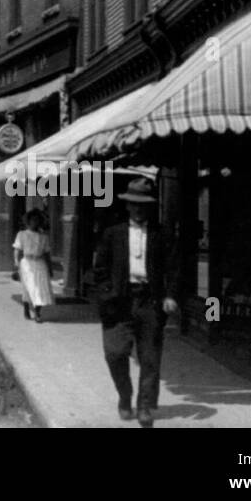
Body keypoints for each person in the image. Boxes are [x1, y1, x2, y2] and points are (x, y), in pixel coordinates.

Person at [92, 177, 180, 428]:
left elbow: (174, 268)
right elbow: (100, 270)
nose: (139, 209)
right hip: (119, 303)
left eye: (144, 205)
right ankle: (125, 395)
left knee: (150, 358)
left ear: (150, 207)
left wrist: (170, 295)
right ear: (128, 206)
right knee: (115, 353)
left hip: (149, 303)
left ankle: (144, 407)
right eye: (135, 204)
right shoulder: (113, 234)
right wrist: (107, 294)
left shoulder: (161, 234)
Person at [13, 208, 54, 323]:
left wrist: (50, 268)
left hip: (40, 263)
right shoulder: (22, 234)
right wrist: (16, 262)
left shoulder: (43, 237)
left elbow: (47, 254)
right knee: (30, 287)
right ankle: (26, 308)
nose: (35, 222)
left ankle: (37, 313)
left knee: (40, 288)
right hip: (27, 263)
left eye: (37, 220)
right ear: (28, 221)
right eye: (33, 220)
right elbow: (17, 249)